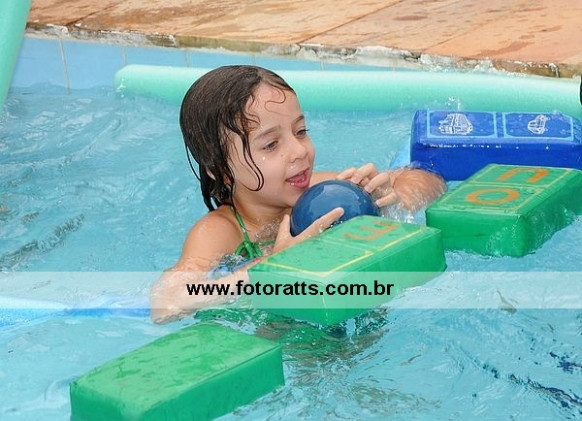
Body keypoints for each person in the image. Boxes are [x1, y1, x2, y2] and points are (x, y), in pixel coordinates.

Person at [150, 65, 446, 323]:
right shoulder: (222, 231)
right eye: (271, 145)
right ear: (222, 171)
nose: (299, 151)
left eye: (301, 131)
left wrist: (390, 197)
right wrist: (272, 265)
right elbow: (167, 303)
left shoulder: (323, 191)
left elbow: (429, 180)